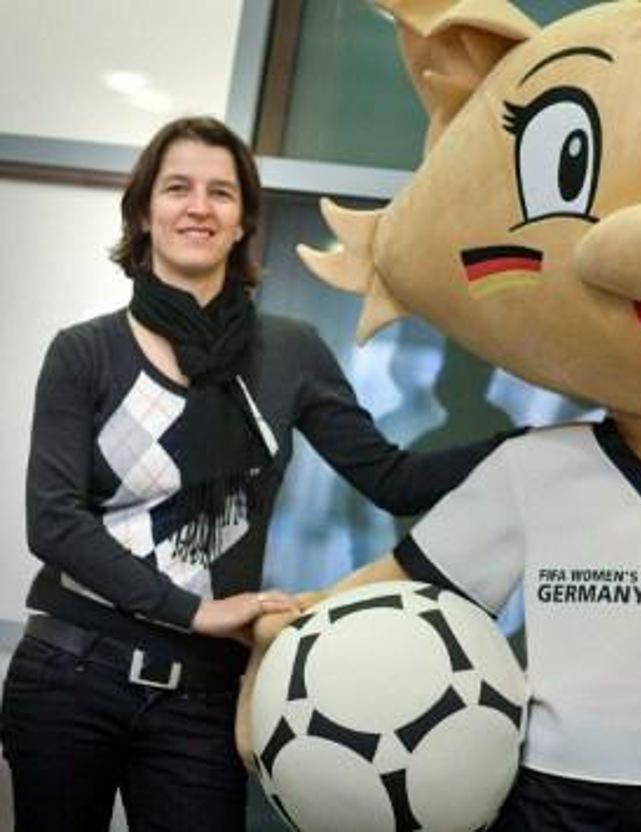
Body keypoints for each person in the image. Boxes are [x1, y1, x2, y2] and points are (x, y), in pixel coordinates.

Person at [0, 116, 511, 831]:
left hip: (203, 695)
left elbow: (393, 480)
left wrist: (525, 448)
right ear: (145, 213)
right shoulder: (86, 354)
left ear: (242, 223)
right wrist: (198, 612)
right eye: (177, 188)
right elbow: (53, 522)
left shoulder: (289, 355)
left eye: (221, 193)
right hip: (70, 674)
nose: (199, 207)